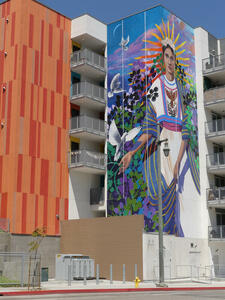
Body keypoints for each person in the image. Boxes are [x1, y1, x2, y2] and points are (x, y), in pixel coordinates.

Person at [119, 40, 191, 236]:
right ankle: (168, 239)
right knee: (161, 192)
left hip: (180, 149)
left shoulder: (182, 90)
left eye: (172, 57)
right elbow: (149, 129)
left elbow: (187, 129)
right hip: (163, 144)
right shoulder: (156, 86)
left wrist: (178, 162)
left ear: (176, 61)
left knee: (179, 198)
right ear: (162, 59)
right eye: (166, 57)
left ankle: (176, 236)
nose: (170, 61)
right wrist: (132, 152)